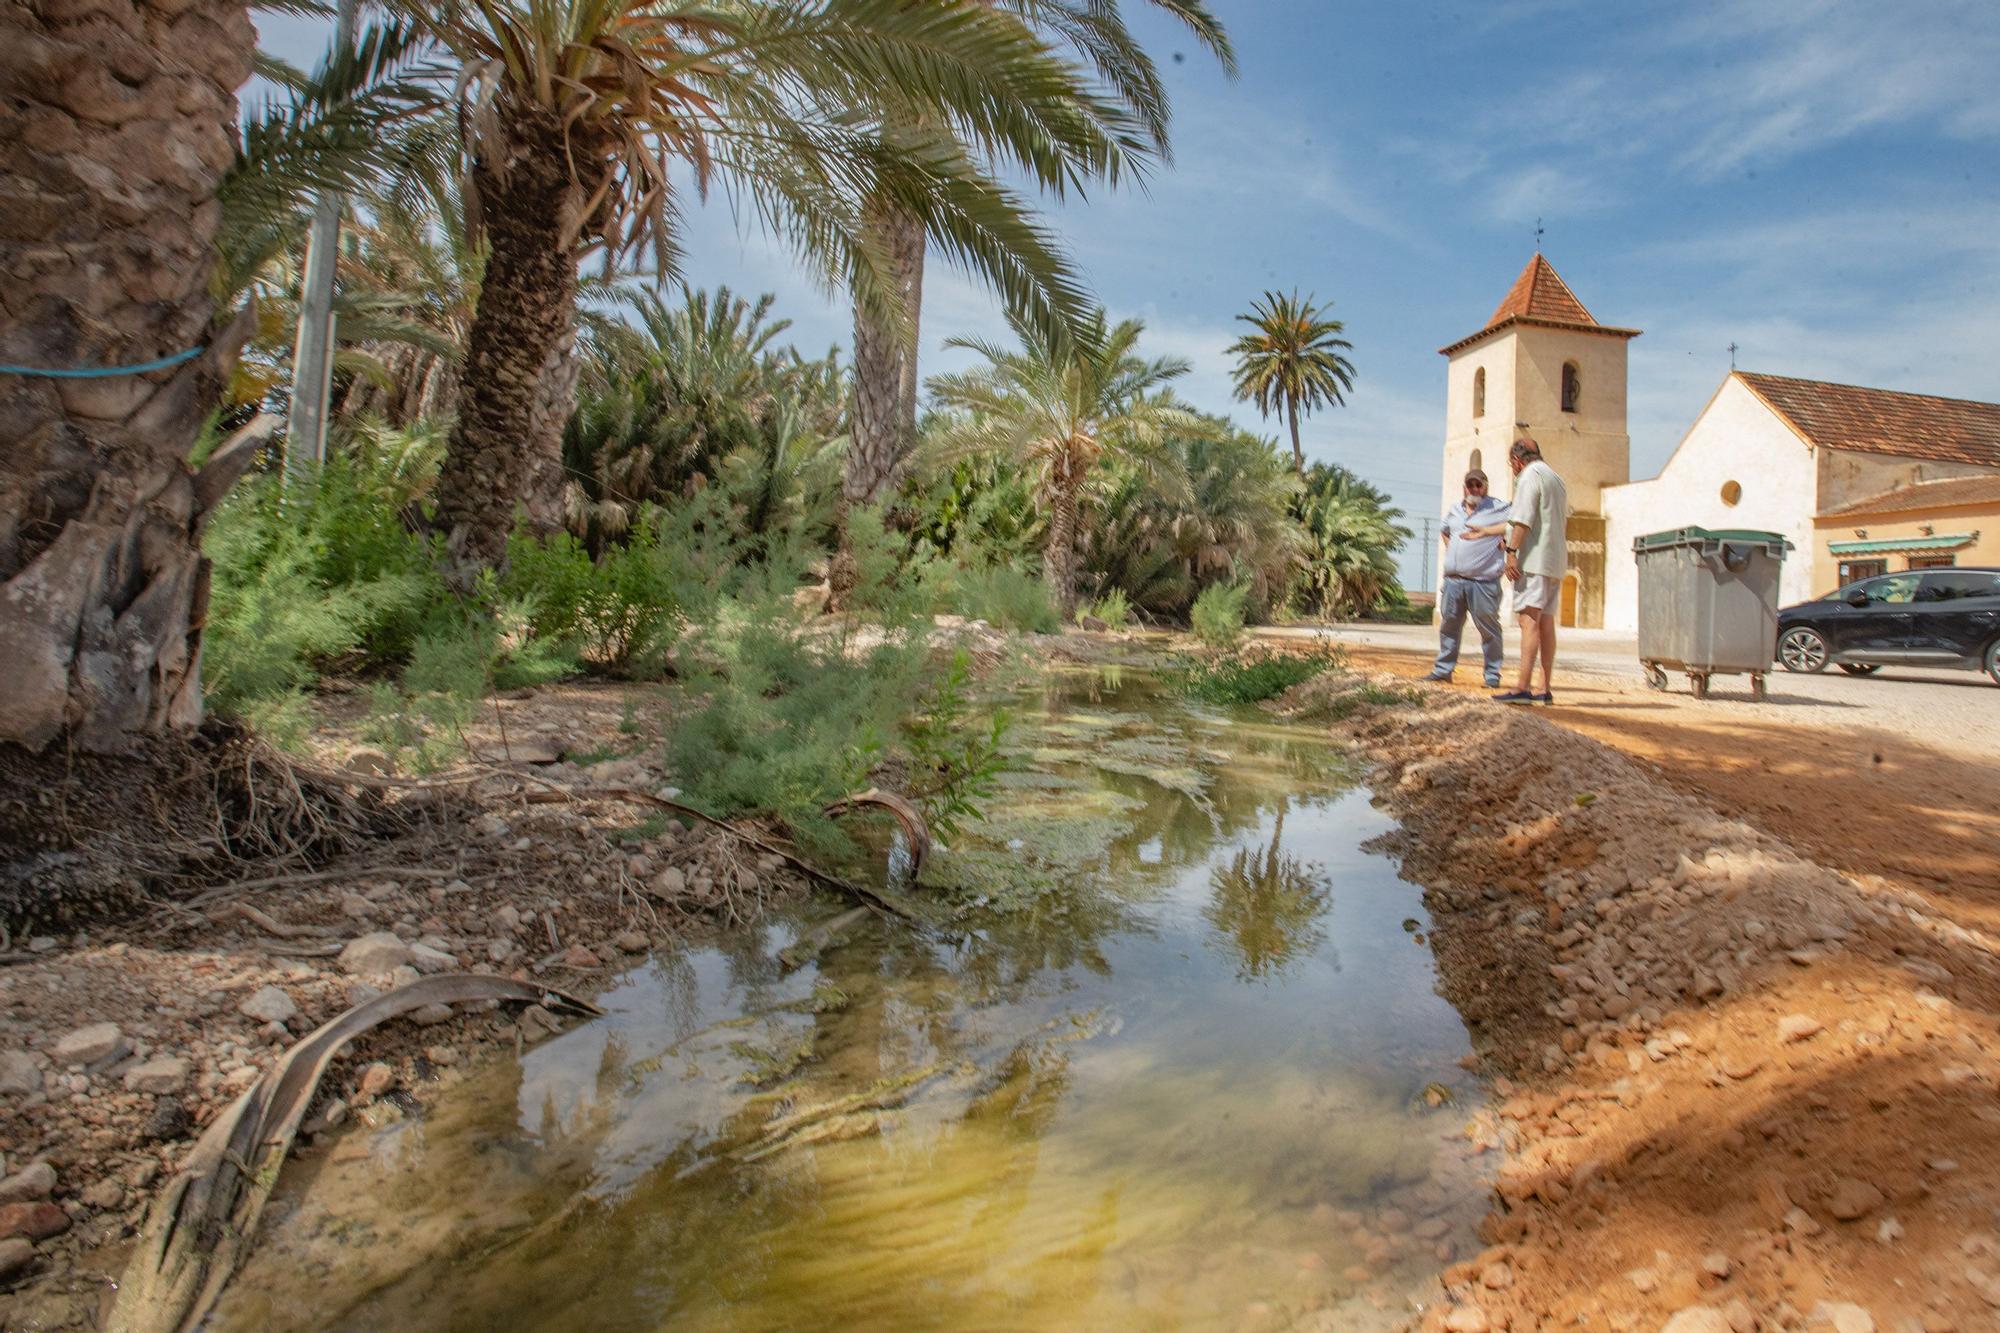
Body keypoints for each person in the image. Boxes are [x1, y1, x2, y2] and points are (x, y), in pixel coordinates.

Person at [1495, 437, 1568, 705]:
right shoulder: (1556, 479)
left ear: (1517, 460)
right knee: (1546, 623)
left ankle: (1522, 687)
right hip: (1554, 561)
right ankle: (1543, 687)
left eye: (1511, 464)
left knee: (1529, 621)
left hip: (1534, 561)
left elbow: (1523, 518)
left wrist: (1511, 552)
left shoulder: (1528, 476)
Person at [1427, 469, 1509, 686]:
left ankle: (1492, 676)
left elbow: (1518, 526)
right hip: (1453, 581)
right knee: (1449, 627)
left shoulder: (1500, 508)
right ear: (1464, 487)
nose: (1474, 489)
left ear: (1485, 486)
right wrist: (1454, 549)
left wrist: (1507, 547)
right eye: (1470, 485)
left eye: (1478, 485)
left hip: (1483, 582)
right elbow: (1445, 530)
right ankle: (1443, 670)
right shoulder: (1455, 510)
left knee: (1489, 629)